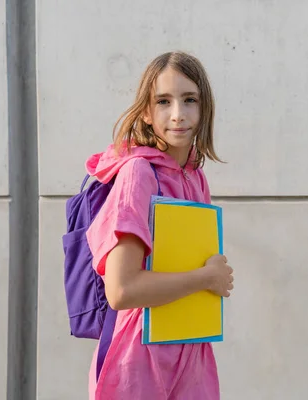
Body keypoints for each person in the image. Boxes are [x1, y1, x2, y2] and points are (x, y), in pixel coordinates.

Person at [84, 51, 234, 399]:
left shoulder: (196, 177)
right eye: (163, 101)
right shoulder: (138, 174)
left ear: (204, 109)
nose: (178, 114)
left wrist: (213, 274)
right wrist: (206, 279)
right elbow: (121, 290)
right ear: (147, 113)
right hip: (139, 363)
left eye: (189, 100)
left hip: (191, 353)